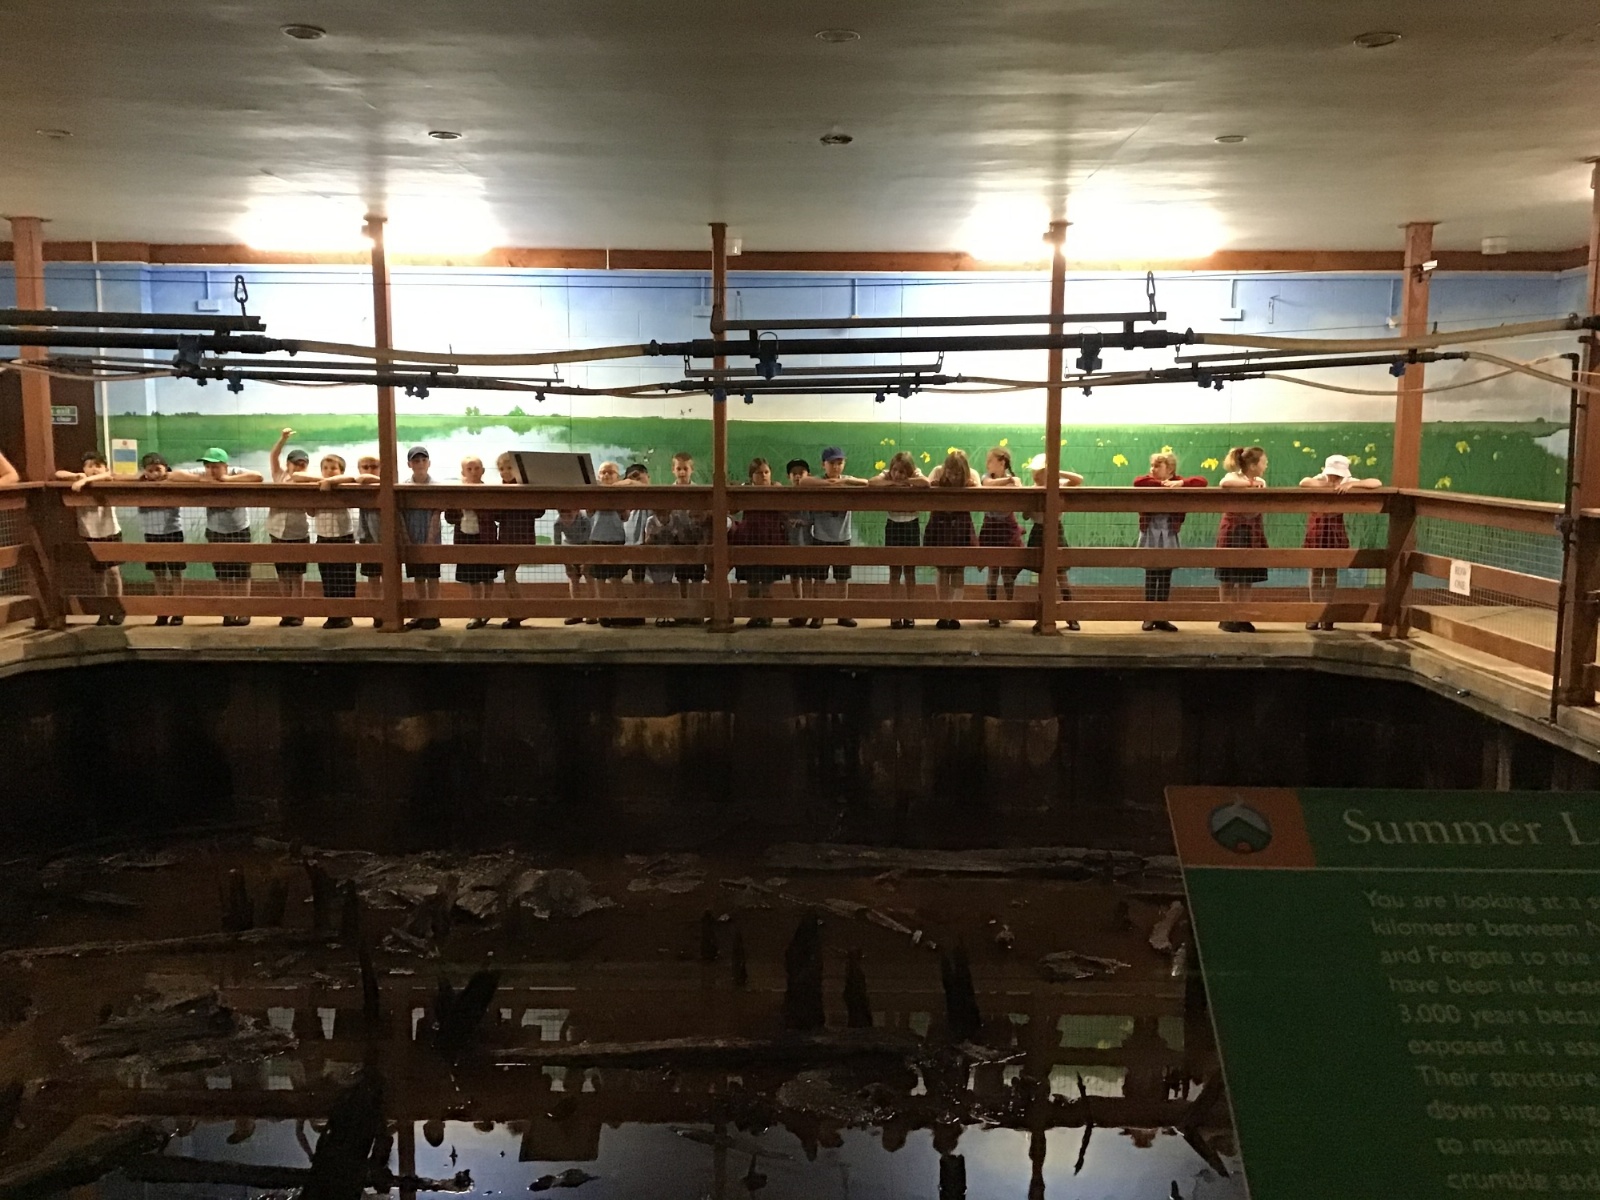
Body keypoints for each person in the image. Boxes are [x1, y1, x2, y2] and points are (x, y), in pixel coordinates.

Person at [167, 448, 264, 626]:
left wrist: (228, 480)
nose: (211, 470)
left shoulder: (235, 472)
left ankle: (243, 611)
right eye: (208, 466)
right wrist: (200, 480)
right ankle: (228, 611)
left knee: (242, 573)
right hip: (215, 531)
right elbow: (172, 475)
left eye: (215, 466)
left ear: (225, 466)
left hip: (239, 530)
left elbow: (258, 476)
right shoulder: (204, 474)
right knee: (223, 574)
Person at [1300, 453, 1382, 631]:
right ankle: (1314, 612)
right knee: (1315, 570)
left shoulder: (1348, 481)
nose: (1334, 478)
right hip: (1317, 525)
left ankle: (1327, 613)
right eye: (1332, 474)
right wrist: (1326, 485)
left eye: (1337, 475)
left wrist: (1353, 484)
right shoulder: (1320, 478)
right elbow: (1304, 482)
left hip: (1335, 526)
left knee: (1331, 570)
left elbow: (1376, 483)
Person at [1133, 452, 1208, 633]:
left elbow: (1202, 481)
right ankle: (1149, 616)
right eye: (1152, 465)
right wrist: (1162, 485)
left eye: (1157, 466)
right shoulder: (1149, 482)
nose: (1152, 469)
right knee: (1151, 574)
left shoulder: (1178, 481)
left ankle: (1162, 616)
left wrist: (1181, 483)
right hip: (1151, 531)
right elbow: (1138, 482)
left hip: (1168, 532)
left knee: (1166, 575)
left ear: (1170, 469)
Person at [796, 446, 868, 628]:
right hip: (821, 537)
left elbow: (866, 483)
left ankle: (842, 613)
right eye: (832, 463)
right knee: (819, 578)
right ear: (823, 465)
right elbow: (804, 482)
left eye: (839, 463)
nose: (836, 467)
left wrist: (844, 482)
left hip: (843, 537)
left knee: (842, 578)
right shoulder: (818, 481)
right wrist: (830, 484)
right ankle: (818, 614)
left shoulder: (847, 480)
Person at [56, 450, 124, 625]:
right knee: (98, 575)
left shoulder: (105, 479)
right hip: (90, 533)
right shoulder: (78, 478)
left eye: (98, 466)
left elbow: (109, 475)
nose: (94, 469)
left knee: (113, 572)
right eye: (89, 466)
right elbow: (58, 474)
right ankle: (103, 612)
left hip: (110, 531)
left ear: (105, 467)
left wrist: (85, 480)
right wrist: (77, 476)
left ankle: (117, 608)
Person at [1022, 453, 1084, 633]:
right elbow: (1025, 515)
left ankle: (1071, 615)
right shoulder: (1032, 489)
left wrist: (1057, 472)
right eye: (1035, 472)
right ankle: (1042, 617)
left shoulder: (1058, 484)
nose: (1035, 475)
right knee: (1042, 575)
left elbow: (1078, 480)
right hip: (1039, 530)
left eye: (1040, 471)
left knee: (1061, 574)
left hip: (1055, 529)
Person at [868, 451, 929, 629]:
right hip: (893, 525)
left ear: (909, 471)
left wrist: (907, 480)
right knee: (894, 572)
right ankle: (894, 612)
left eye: (902, 471)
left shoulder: (916, 474)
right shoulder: (887, 474)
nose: (897, 474)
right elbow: (872, 482)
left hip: (911, 525)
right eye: (895, 470)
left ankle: (910, 612)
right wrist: (893, 483)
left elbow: (925, 483)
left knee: (910, 571)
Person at [1216, 445, 1270, 633]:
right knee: (1228, 576)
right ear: (1253, 465)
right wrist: (1249, 485)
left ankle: (1242, 615)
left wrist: (1255, 485)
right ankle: (1226, 616)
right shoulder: (1233, 477)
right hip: (1234, 529)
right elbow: (1225, 483)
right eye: (1263, 462)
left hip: (1251, 529)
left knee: (1247, 577)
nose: (1266, 465)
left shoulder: (1261, 481)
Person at [924, 450, 980, 630]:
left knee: (958, 569)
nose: (954, 477)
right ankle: (943, 612)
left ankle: (954, 612)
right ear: (945, 469)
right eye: (950, 473)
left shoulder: (972, 474)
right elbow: (926, 489)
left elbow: (980, 493)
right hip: (940, 523)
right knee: (942, 569)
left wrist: (972, 486)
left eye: (958, 474)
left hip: (960, 524)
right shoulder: (937, 472)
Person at [730, 457, 788, 628]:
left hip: (771, 539)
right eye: (759, 473)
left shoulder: (777, 490)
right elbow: (732, 508)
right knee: (753, 582)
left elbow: (786, 511)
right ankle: (755, 615)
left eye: (766, 472)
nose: (763, 476)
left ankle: (767, 615)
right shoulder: (747, 491)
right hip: (751, 538)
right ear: (752, 476)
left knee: (768, 583)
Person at [445, 455, 499, 630]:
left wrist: (475, 505)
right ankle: (475, 613)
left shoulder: (489, 491)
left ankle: (487, 608)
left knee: (488, 576)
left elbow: (495, 514)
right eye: (469, 469)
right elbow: (449, 517)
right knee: (472, 578)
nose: (473, 472)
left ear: (483, 471)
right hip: (465, 537)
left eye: (477, 468)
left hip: (485, 538)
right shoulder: (458, 492)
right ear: (463, 472)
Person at [307, 454, 360, 628]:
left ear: (341, 471)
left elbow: (352, 478)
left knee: (346, 577)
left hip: (343, 536)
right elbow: (311, 512)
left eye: (333, 468)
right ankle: (332, 615)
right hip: (323, 537)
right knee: (328, 577)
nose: (329, 471)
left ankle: (346, 615)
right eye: (325, 468)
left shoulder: (344, 485)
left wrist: (330, 482)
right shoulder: (317, 487)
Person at [266, 429, 312, 626]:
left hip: (298, 531)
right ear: (288, 464)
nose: (299, 467)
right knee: (283, 573)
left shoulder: (309, 481)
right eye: (296, 463)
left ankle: (298, 611)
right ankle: (286, 610)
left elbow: (311, 510)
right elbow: (273, 456)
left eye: (303, 464)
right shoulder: (279, 476)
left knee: (297, 574)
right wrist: (283, 439)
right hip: (277, 531)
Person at [493, 451, 544, 629]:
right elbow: (497, 515)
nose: (506, 472)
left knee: (509, 575)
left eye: (509, 468)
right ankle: (518, 610)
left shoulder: (525, 488)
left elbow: (539, 511)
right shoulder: (499, 491)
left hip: (521, 537)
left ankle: (519, 610)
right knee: (508, 576)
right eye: (502, 469)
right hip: (506, 538)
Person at [133, 452, 185, 625]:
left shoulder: (174, 482)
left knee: (176, 571)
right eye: (150, 470)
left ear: (166, 469)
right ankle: (162, 609)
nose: (155, 474)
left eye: (158, 469)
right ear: (144, 471)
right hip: (151, 533)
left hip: (173, 531)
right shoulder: (140, 484)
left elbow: (184, 477)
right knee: (158, 572)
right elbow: (122, 477)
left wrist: (168, 478)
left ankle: (178, 610)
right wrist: (140, 478)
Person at [977, 447, 1025, 628]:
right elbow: (987, 484)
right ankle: (992, 611)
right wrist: (1009, 480)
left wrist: (1012, 480)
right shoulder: (987, 477)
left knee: (1007, 571)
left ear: (1002, 462)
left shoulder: (1014, 479)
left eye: (991, 460)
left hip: (1006, 526)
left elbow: (1018, 489)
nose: (987, 464)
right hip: (991, 526)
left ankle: (1007, 608)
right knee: (993, 570)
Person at [588, 460, 636, 626]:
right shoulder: (594, 493)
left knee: (616, 577)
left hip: (616, 539)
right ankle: (602, 612)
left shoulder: (620, 494)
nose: (607, 475)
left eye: (611, 472)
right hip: (597, 538)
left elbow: (625, 516)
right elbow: (589, 512)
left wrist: (617, 503)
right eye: (603, 472)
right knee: (599, 578)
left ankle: (621, 611)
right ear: (598, 476)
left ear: (618, 477)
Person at [401, 445, 442, 631]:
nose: (420, 463)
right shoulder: (403, 486)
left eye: (423, 460)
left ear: (429, 463)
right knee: (418, 577)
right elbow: (400, 515)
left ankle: (433, 613)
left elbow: (436, 514)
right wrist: (406, 538)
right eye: (416, 460)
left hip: (431, 539)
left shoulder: (435, 486)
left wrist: (430, 540)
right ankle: (420, 613)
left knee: (432, 577)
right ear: (409, 464)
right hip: (412, 538)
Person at [669, 452, 708, 623]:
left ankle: (697, 611)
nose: (682, 472)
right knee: (682, 577)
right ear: (673, 470)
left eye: (685, 468)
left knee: (697, 577)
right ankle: (684, 610)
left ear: (692, 469)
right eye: (679, 469)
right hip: (678, 540)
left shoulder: (699, 491)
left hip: (696, 540)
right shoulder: (669, 492)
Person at [784, 459, 822, 626]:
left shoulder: (811, 495)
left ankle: (808, 607)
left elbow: (815, 517)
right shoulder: (786, 496)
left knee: (807, 577)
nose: (798, 477)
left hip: (808, 542)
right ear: (789, 476)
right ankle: (799, 609)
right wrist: (788, 521)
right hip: (791, 542)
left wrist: (803, 522)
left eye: (801, 473)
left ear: (809, 475)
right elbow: (782, 515)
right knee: (794, 576)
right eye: (794, 474)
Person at [351, 455, 385, 628]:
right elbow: (361, 479)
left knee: (389, 576)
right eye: (365, 467)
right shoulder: (358, 485)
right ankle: (377, 612)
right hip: (367, 537)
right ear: (359, 469)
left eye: (374, 466)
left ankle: (389, 609)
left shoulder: (386, 483)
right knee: (372, 577)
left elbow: (368, 479)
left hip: (387, 537)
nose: (370, 470)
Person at [553, 507, 594, 626]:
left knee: (589, 578)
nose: (566, 520)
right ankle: (577, 612)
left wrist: (587, 561)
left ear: (576, 511)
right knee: (573, 579)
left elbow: (590, 540)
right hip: (569, 548)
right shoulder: (558, 523)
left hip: (585, 548)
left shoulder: (585, 519)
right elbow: (557, 545)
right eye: (562, 516)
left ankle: (593, 613)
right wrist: (566, 562)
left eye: (569, 516)